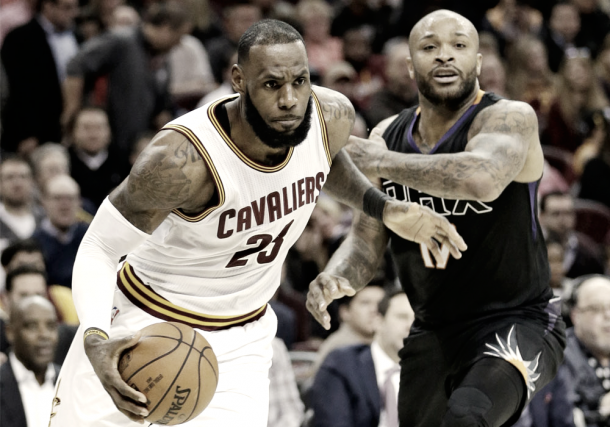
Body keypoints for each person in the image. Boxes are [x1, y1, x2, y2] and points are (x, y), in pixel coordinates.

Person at [49, 19, 466, 427]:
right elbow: (100, 248)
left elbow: (326, 159)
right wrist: (96, 339)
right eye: (271, 85)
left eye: (300, 81)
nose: (289, 99)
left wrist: (384, 207)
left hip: (239, 342)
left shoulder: (328, 116)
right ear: (238, 80)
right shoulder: (182, 160)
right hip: (144, 324)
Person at [307, 10, 566, 427]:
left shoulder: (510, 118)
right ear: (411, 65)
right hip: (433, 329)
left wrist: (384, 162)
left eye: (459, 47)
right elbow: (367, 238)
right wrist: (338, 275)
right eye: (430, 48)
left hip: (517, 319)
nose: (445, 57)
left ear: (478, 62)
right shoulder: (388, 134)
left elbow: (481, 179)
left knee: (468, 416)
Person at [309, 289, 414, 427]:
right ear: (378, 321)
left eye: (418, 320)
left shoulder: (431, 372)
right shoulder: (340, 365)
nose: (411, 326)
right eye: (402, 317)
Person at [0, 0, 79, 156]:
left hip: (67, 130)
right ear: (48, 6)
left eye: (75, 7)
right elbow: (17, 91)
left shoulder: (77, 35)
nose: (74, 13)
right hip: (33, 133)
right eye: (67, 7)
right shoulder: (19, 37)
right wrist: (25, 133)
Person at [0, 296, 60, 427]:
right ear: (10, 332)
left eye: (51, 326)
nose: (44, 335)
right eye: (32, 326)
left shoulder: (70, 382)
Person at [563, 274, 610, 427]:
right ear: (576, 315)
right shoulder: (558, 359)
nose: (608, 315)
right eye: (596, 308)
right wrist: (601, 413)